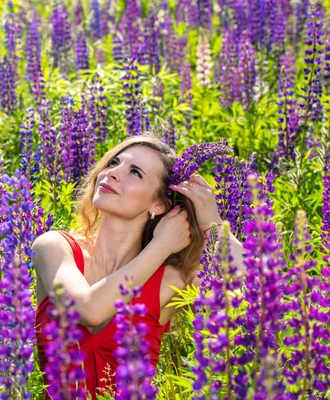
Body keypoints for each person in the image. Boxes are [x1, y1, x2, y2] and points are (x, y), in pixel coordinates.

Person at [32, 135, 247, 398]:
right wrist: (161, 246)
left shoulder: (170, 280)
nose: (112, 173)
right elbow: (89, 310)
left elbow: (252, 294)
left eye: (135, 172)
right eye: (114, 162)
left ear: (158, 204)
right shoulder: (55, 247)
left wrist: (212, 224)